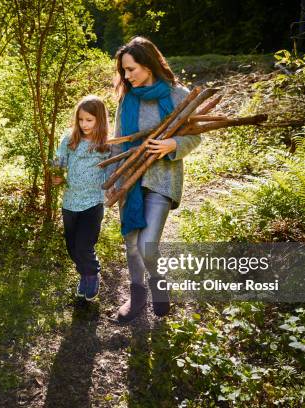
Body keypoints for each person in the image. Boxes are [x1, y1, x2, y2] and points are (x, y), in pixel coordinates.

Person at [107, 37, 201, 323]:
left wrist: (172, 145)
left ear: (148, 65)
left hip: (163, 178)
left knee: (148, 245)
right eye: (123, 70)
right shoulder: (127, 98)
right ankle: (137, 297)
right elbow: (119, 140)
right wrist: (114, 179)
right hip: (130, 179)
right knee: (131, 241)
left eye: (131, 69)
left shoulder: (177, 95)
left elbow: (195, 136)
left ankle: (158, 283)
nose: (126, 76)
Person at [53, 95, 111, 300]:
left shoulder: (106, 144)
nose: (84, 124)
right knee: (71, 245)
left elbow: (112, 170)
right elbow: (59, 159)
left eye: (89, 120)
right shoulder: (70, 139)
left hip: (93, 202)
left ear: (100, 120)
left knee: (84, 245)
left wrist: (112, 188)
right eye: (81, 119)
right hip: (70, 202)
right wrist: (57, 174)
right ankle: (84, 273)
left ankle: (91, 274)